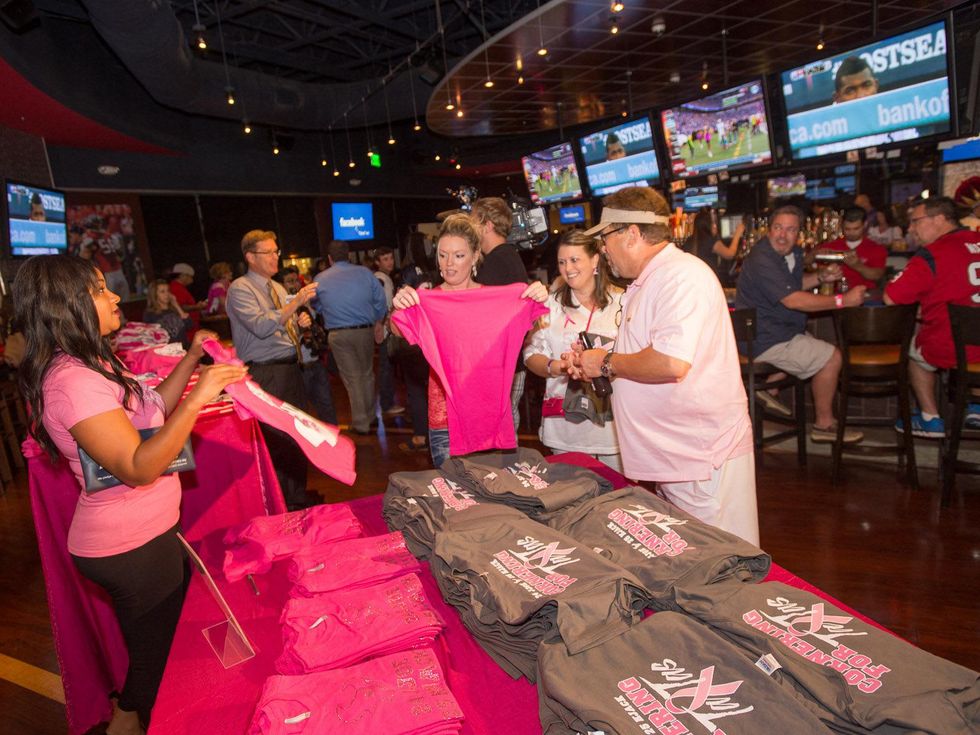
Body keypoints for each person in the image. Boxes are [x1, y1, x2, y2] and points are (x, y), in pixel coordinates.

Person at [14, 255, 246, 734]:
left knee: (157, 651)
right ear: (67, 304)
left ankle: (126, 723)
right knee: (159, 665)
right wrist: (202, 394)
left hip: (146, 533)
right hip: (128, 546)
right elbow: (139, 467)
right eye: (100, 289)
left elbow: (153, 406)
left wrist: (190, 361)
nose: (115, 295)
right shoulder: (73, 382)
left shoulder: (90, 361)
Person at [566, 186, 758, 544]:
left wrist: (605, 362)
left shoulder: (681, 276)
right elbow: (646, 349)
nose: (602, 249)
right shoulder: (649, 280)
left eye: (606, 238)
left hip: (698, 456)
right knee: (695, 564)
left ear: (632, 233)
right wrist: (593, 359)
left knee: (721, 563)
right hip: (673, 454)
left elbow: (671, 362)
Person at [391, 214, 547, 468]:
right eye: (443, 255)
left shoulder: (498, 301)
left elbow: (527, 334)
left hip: (488, 417)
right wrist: (399, 306)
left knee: (495, 500)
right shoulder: (428, 300)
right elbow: (397, 330)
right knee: (455, 501)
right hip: (446, 422)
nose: (449, 264)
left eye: (459, 255)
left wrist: (538, 297)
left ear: (475, 256)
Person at [734, 205, 866, 443]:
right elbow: (793, 300)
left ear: (798, 233)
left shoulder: (792, 253)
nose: (783, 235)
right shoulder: (762, 258)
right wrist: (842, 300)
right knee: (831, 357)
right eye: (778, 228)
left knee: (810, 344)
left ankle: (768, 390)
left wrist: (820, 277)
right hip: (762, 339)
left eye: (791, 230)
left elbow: (791, 286)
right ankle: (823, 425)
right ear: (769, 229)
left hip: (779, 332)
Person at [227, 230, 318, 510]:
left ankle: (297, 496)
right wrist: (296, 303)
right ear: (251, 257)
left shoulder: (276, 288)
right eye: (269, 252)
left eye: (276, 251)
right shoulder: (240, 288)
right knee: (276, 440)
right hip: (266, 373)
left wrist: (299, 320)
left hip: (290, 369)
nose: (276, 257)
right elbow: (262, 326)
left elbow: (283, 324)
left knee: (297, 434)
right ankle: (280, 502)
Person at [523, 230, 623, 471]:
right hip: (565, 429)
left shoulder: (623, 302)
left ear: (595, 260)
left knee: (618, 499)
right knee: (570, 501)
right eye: (562, 262)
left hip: (614, 428)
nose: (568, 268)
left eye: (575, 260)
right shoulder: (550, 304)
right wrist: (558, 367)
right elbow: (530, 354)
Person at [884, 196, 980, 436]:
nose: (910, 228)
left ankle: (930, 418)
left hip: (955, 348)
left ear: (939, 219)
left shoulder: (932, 254)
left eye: (916, 221)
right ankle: (975, 405)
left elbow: (891, 298)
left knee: (915, 349)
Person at [312, 240, 387, 435]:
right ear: (350, 256)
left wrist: (326, 308)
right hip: (365, 330)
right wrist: (378, 321)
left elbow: (315, 304)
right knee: (367, 374)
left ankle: (361, 423)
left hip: (338, 334)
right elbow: (380, 300)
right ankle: (371, 417)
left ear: (329, 259)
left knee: (353, 379)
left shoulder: (320, 278)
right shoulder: (365, 273)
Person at [471, 197, 529, 432]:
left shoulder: (498, 261)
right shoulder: (505, 257)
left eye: (473, 219)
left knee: (500, 426)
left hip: (504, 363)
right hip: (508, 361)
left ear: (487, 225)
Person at [281, 266, 337, 426]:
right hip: (299, 367)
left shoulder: (307, 304)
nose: (294, 285)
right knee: (301, 412)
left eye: (296, 281)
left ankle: (333, 441)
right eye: (289, 282)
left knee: (326, 405)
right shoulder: (282, 310)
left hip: (315, 361)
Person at [817, 206, 887, 290]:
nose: (851, 233)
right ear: (842, 225)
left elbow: (877, 276)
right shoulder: (830, 247)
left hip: (865, 297)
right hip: (835, 297)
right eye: (847, 229)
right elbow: (817, 272)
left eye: (856, 228)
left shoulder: (876, 248)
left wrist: (857, 266)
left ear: (865, 224)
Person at [373, 246, 404, 418]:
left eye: (391, 258)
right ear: (377, 262)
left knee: (387, 367)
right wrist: (381, 324)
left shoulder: (383, 278)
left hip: (384, 328)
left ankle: (387, 403)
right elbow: (380, 306)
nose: (390, 262)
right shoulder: (381, 279)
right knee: (386, 368)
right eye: (385, 259)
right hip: (385, 330)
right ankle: (387, 404)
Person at [690, 208, 743, 284]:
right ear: (708, 225)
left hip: (696, 280)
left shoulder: (690, 240)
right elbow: (730, 254)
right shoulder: (710, 240)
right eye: (713, 223)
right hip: (708, 280)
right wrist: (737, 234)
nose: (715, 226)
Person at [143, 278, 190, 345]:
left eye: (168, 291)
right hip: (167, 351)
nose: (167, 294)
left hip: (184, 347)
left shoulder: (174, 308)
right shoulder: (150, 313)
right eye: (162, 292)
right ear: (154, 294)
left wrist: (176, 305)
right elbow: (150, 337)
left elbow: (189, 325)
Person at [168, 263, 207, 333]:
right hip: (188, 329)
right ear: (183, 275)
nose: (192, 280)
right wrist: (197, 307)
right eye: (190, 277)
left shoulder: (180, 287)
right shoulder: (176, 288)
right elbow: (181, 307)